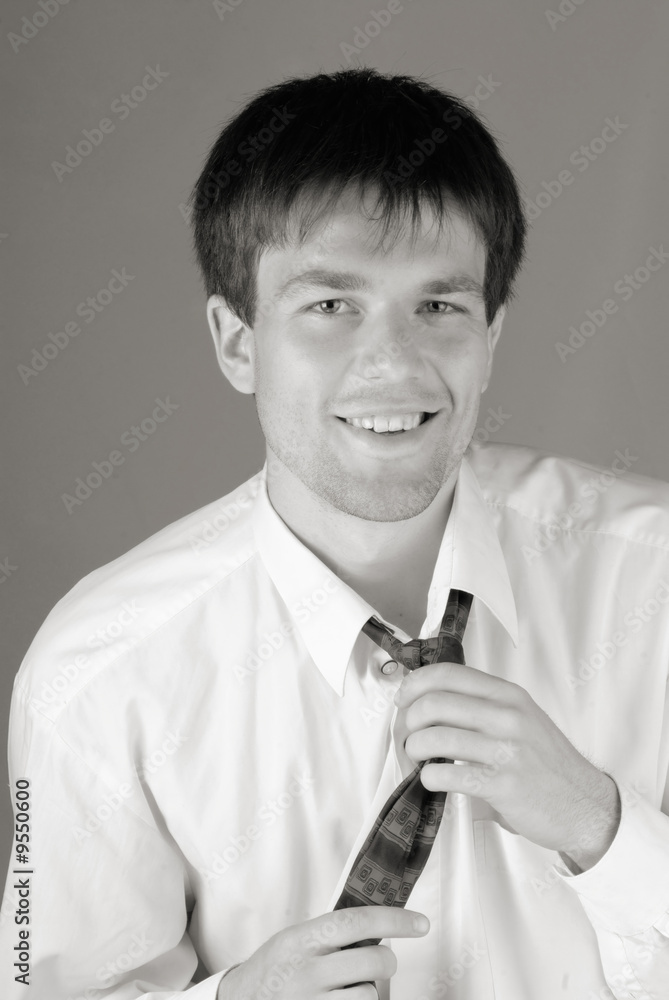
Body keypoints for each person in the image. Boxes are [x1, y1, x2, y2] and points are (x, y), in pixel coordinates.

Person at [1, 66, 668, 1000]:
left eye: (439, 307)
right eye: (329, 307)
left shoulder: (655, 588)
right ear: (238, 342)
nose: (392, 363)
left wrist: (604, 830)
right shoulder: (96, 672)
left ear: (491, 338)